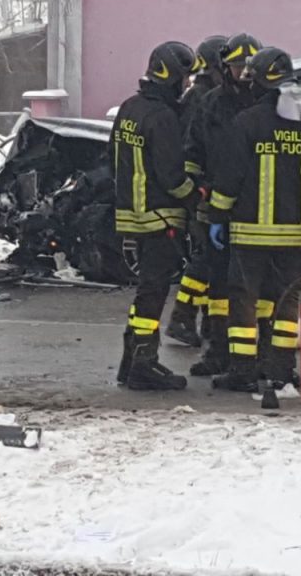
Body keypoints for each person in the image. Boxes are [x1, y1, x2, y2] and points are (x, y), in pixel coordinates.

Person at [206, 47, 301, 392]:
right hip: (292, 236)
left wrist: (217, 216)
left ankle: (242, 370)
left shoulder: (247, 123)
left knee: (244, 301)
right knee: (285, 301)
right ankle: (281, 369)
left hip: (249, 231)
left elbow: (230, 177)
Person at [171, 34, 264, 376]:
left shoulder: (268, 102)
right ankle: (219, 352)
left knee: (252, 287)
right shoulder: (210, 103)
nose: (244, 73)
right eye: (238, 66)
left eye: (250, 67)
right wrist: (198, 195)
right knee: (219, 283)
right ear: (225, 67)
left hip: (256, 209)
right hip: (215, 206)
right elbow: (192, 152)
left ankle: (256, 357)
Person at [112, 41, 199, 391]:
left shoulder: (129, 108)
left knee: (144, 291)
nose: (187, 86)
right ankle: (143, 365)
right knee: (153, 292)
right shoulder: (163, 117)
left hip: (131, 215)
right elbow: (172, 176)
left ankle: (130, 361)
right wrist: (197, 199)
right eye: (184, 79)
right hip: (160, 217)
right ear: (170, 78)